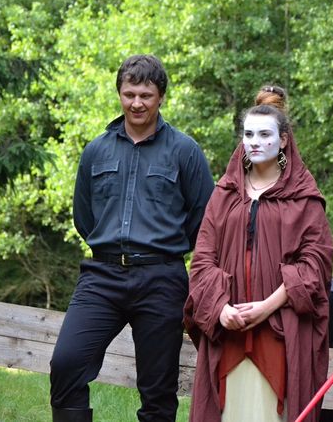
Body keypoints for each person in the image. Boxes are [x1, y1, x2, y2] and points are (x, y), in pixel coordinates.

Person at [50, 54, 215, 422]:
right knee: (66, 363)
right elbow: (84, 217)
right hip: (102, 277)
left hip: (162, 279)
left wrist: (162, 249)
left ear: (161, 97)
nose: (137, 103)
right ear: (119, 94)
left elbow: (205, 220)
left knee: (158, 390)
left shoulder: (184, 151)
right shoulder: (96, 150)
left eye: (146, 95)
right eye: (129, 94)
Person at [183, 85, 333, 422]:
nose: (254, 141)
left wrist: (267, 307)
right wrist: (220, 309)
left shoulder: (304, 198)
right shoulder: (225, 194)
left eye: (265, 134)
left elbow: (315, 265)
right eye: (248, 134)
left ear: (283, 140)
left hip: (280, 330)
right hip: (229, 330)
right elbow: (203, 260)